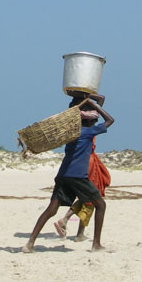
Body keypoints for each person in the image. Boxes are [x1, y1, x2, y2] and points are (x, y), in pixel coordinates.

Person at [23, 96, 114, 253]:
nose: (94, 122)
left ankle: (30, 243)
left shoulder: (70, 133)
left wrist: (89, 102)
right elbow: (110, 120)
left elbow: (93, 116)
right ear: (89, 122)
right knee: (101, 205)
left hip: (63, 174)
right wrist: (94, 105)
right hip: (78, 175)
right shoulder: (89, 132)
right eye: (93, 120)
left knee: (51, 209)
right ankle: (96, 245)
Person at [53, 112, 111, 242]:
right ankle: (78, 230)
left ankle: (70, 223)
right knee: (93, 199)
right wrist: (94, 102)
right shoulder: (89, 131)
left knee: (88, 197)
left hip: (81, 164)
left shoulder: (73, 131)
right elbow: (108, 119)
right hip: (87, 164)